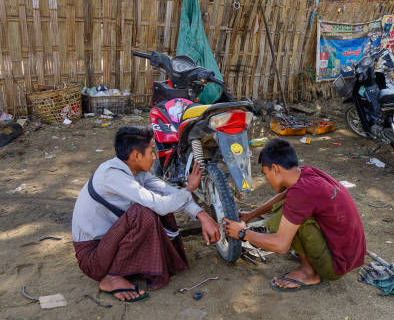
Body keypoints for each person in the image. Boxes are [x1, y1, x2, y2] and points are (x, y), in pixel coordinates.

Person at [71, 125, 220, 302]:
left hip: (107, 245)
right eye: (151, 151)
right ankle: (111, 277)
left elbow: (169, 193)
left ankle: (127, 268)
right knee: (142, 212)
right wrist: (190, 188)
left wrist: (202, 215)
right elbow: (161, 205)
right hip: (93, 259)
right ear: (136, 156)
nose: (154, 156)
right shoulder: (111, 175)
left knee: (160, 203)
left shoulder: (137, 172)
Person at [223, 139, 366, 291]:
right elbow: (284, 195)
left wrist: (242, 233)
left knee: (297, 218)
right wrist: (251, 214)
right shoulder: (306, 173)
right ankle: (300, 253)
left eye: (266, 174)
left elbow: (281, 245)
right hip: (348, 254)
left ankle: (308, 273)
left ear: (275, 169)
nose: (267, 179)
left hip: (337, 265)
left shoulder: (301, 193)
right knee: (288, 206)